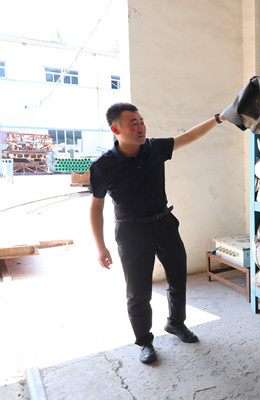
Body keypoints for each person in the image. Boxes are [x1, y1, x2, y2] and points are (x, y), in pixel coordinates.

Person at [89, 102, 226, 364]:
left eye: (142, 122)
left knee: (178, 279)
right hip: (131, 232)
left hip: (164, 224)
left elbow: (189, 136)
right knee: (138, 292)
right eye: (134, 124)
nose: (141, 127)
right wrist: (100, 246)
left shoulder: (154, 149)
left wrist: (218, 118)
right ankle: (144, 342)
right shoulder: (103, 166)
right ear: (115, 129)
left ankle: (176, 323)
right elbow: (96, 208)